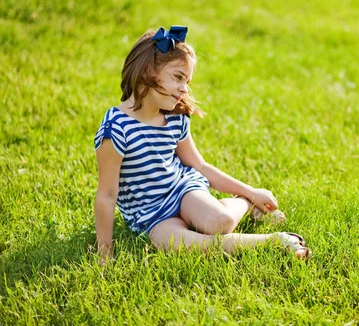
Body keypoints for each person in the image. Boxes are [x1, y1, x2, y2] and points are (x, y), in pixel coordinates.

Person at [94, 26, 311, 263]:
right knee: (187, 246)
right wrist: (105, 253)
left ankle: (246, 204)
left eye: (187, 81)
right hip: (151, 218)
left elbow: (199, 165)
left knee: (221, 222)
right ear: (147, 71)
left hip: (183, 190)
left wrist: (251, 192)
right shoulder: (116, 127)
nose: (184, 88)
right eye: (178, 77)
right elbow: (106, 195)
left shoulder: (175, 117)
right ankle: (277, 240)